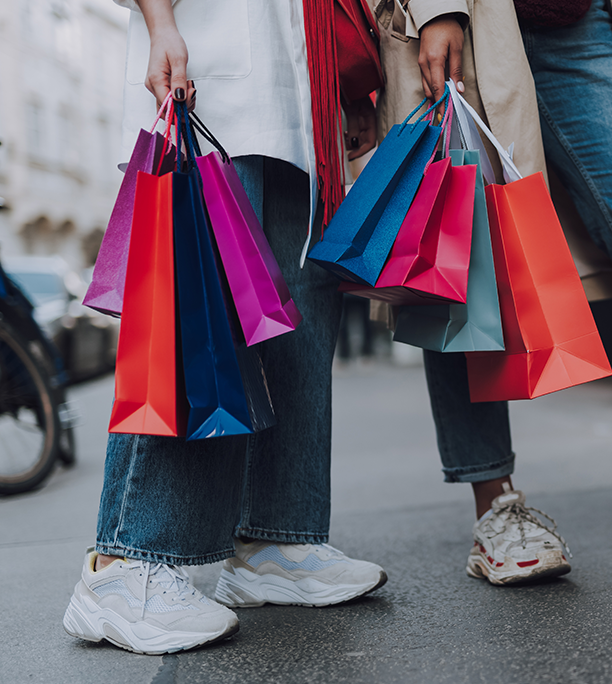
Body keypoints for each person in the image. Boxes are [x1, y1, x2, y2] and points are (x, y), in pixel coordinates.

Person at [376, 0, 612, 584]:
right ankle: (496, 508)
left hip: (583, 21)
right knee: (459, 249)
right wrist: (435, 8)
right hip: (473, 18)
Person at [63, 0, 384, 655]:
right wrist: (159, 23)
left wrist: (346, 85)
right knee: (194, 313)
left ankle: (275, 539)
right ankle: (127, 566)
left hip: (297, 96)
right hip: (207, 69)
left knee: (297, 316)